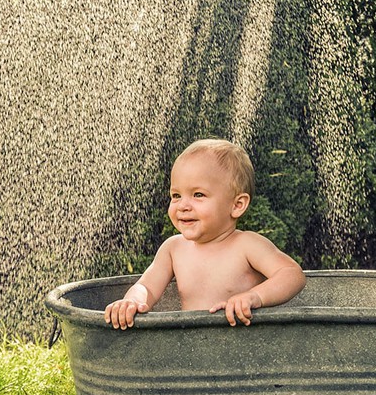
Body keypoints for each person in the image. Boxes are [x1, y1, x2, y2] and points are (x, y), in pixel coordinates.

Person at [104, 138, 306, 328]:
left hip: (244, 351)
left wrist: (255, 296)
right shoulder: (173, 248)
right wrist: (132, 300)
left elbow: (291, 274)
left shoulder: (247, 245)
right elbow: (147, 286)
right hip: (193, 351)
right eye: (176, 195)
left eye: (198, 195)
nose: (183, 205)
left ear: (237, 205)